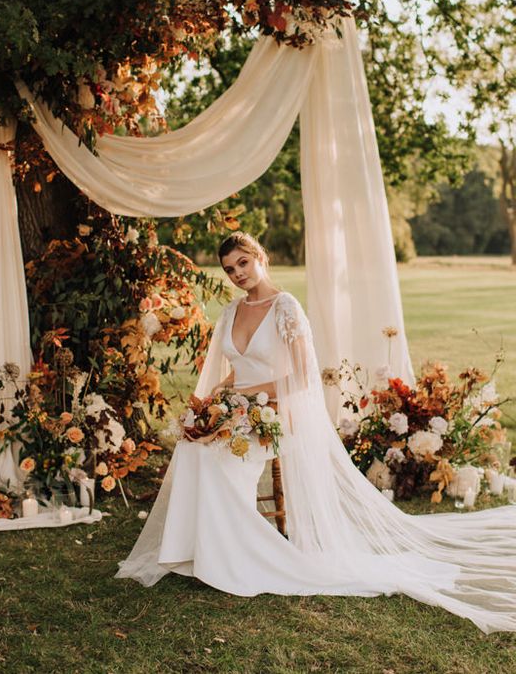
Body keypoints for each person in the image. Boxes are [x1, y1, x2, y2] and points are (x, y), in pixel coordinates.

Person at [116, 231, 516, 634]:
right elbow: (241, 367)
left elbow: (303, 376)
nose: (237, 274)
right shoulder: (231, 312)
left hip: (278, 416)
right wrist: (218, 396)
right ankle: (195, 550)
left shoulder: (285, 306)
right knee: (193, 449)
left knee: (218, 456)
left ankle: (237, 555)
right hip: (239, 408)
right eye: (229, 269)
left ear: (260, 257)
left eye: (243, 263)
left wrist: (245, 395)